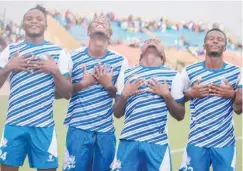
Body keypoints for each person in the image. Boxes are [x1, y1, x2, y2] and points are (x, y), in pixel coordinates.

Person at [0, 5, 73, 171]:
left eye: (39, 19)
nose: (34, 21)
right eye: (29, 19)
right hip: (14, 124)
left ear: (46, 25)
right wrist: (9, 67)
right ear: (23, 24)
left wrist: (54, 70)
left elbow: (67, 92)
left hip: (43, 127)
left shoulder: (58, 53)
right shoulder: (11, 50)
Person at [62, 14, 128, 171]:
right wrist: (84, 83)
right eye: (96, 23)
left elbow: (121, 101)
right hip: (78, 129)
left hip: (105, 131)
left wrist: (108, 85)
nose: (100, 24)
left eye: (104, 24)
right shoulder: (72, 56)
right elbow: (64, 93)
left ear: (110, 35)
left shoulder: (120, 61)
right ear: (88, 31)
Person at [111, 39, 185, 171]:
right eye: (148, 41)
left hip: (157, 145)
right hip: (129, 142)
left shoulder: (173, 76)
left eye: (157, 41)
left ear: (163, 56)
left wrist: (166, 95)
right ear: (140, 54)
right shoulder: (126, 74)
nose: (152, 42)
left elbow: (180, 114)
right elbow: (117, 113)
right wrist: (124, 94)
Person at [178, 28, 241, 171]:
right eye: (211, 38)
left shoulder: (237, 72)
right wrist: (190, 93)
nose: (215, 41)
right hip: (196, 142)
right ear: (204, 45)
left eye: (220, 39)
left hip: (225, 143)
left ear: (225, 46)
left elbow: (239, 109)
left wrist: (232, 94)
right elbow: (176, 102)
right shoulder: (189, 71)